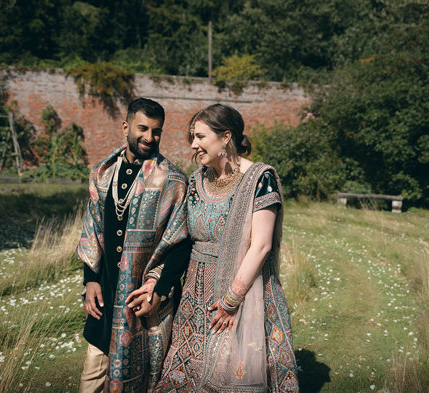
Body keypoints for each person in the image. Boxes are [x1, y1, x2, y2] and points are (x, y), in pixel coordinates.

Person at [155, 104, 299, 392]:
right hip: (195, 298)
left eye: (200, 136)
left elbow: (260, 245)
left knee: (233, 373)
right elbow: (182, 238)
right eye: (192, 137)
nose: (193, 144)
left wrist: (232, 301)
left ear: (225, 137)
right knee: (186, 375)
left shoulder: (260, 179)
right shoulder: (196, 181)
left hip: (245, 292)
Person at [77, 98, 191, 393]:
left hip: (144, 300)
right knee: (92, 376)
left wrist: (161, 289)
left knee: (143, 379)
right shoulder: (103, 175)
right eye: (143, 128)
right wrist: (90, 280)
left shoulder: (173, 181)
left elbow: (180, 244)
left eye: (157, 131)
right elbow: (92, 229)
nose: (150, 137)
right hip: (106, 294)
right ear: (126, 127)